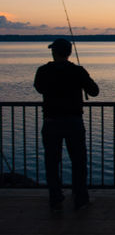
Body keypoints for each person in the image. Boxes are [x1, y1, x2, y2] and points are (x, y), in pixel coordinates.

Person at [34, 38, 99, 211]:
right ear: (69, 52)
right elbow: (94, 91)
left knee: (52, 162)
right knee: (78, 161)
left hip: (51, 122)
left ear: (54, 52)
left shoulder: (43, 71)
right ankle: (80, 199)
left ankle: (55, 199)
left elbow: (39, 88)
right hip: (73, 122)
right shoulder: (77, 71)